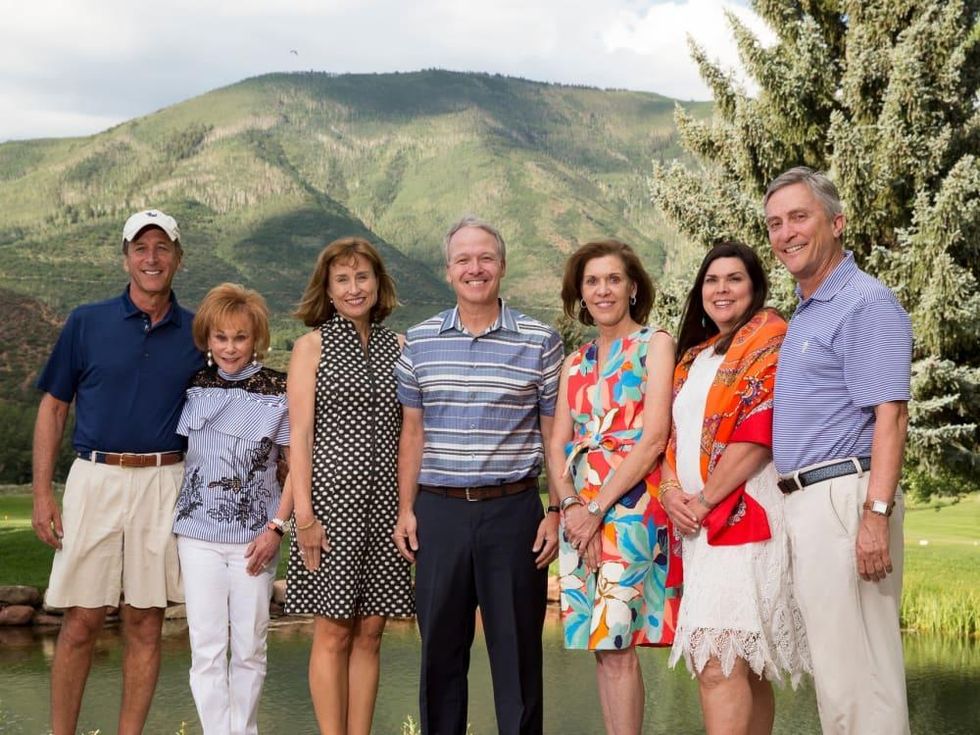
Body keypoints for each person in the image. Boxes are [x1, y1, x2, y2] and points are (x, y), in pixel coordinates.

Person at [31, 209, 203, 735]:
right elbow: (53, 408)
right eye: (140, 248)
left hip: (164, 480)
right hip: (95, 478)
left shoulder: (198, 331)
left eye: (162, 248)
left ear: (178, 258)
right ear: (125, 257)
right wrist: (41, 494)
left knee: (146, 622)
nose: (152, 258)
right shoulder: (87, 322)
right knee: (81, 619)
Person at [393, 215, 563, 735]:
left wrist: (557, 509)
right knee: (440, 658)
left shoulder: (540, 341)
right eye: (463, 259)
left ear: (502, 266)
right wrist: (405, 510)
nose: (475, 268)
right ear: (448, 271)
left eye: (486, 257)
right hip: (438, 513)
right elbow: (412, 433)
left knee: (518, 658)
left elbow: (555, 436)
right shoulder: (419, 341)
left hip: (514, 513)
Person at [764, 166, 912, 734]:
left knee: (864, 683)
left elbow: (891, 416)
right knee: (840, 682)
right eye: (775, 223)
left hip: (846, 501)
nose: (786, 233)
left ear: (837, 222)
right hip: (815, 502)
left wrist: (875, 515)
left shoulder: (862, 301)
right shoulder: (810, 309)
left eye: (799, 217)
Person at [660, 241, 810, 735]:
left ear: (755, 287)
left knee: (718, 658)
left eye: (734, 279)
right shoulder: (693, 358)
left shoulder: (770, 340)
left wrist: (703, 501)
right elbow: (673, 439)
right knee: (746, 660)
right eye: (712, 280)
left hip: (745, 514)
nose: (721, 289)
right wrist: (671, 493)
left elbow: (759, 435)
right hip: (699, 525)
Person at [549, 239, 681, 735]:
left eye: (613, 279)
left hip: (629, 508)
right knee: (601, 646)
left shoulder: (655, 344)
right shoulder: (574, 362)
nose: (602, 290)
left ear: (632, 288)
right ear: (580, 293)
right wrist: (570, 506)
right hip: (579, 513)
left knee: (619, 643)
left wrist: (596, 509)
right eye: (592, 281)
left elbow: (654, 439)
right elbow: (558, 444)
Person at [285, 236, 415, 735]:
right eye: (342, 279)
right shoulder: (311, 347)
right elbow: (299, 436)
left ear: (378, 283)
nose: (354, 287)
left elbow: (412, 432)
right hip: (329, 508)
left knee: (371, 634)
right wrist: (304, 516)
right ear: (328, 289)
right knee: (334, 633)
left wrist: (407, 508)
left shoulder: (399, 347)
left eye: (362, 276)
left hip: (386, 509)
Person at [171, 283, 292, 735]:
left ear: (256, 338)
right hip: (196, 536)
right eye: (220, 337)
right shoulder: (193, 386)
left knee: (249, 649)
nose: (229, 347)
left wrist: (277, 527)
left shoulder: (281, 390)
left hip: (256, 540)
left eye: (240, 337)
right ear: (207, 338)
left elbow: (296, 467)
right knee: (206, 650)